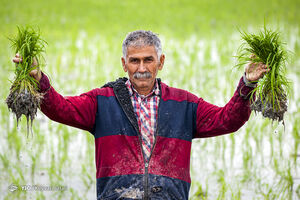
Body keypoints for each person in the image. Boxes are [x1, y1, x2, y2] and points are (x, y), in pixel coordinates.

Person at [13, 30, 269, 200]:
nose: (142, 68)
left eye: (149, 60)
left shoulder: (184, 103)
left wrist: (247, 83)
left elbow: (227, 119)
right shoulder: (102, 101)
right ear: (124, 64)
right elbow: (61, 108)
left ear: (161, 62)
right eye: (134, 61)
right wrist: (38, 79)